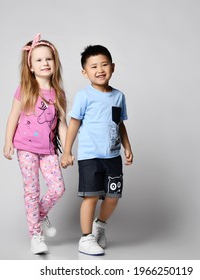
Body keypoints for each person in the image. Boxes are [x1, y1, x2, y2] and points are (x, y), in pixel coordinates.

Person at [61, 45, 133, 256]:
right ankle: (85, 238)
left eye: (104, 64)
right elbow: (74, 123)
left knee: (113, 197)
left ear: (112, 67)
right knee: (90, 197)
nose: (100, 69)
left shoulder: (119, 96)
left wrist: (127, 146)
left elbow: (119, 123)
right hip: (90, 156)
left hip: (112, 156)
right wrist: (67, 151)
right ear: (85, 72)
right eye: (93, 66)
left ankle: (99, 225)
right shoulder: (85, 96)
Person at [3, 34, 67, 255]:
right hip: (25, 148)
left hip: (48, 150)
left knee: (58, 188)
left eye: (48, 59)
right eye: (39, 60)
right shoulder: (25, 88)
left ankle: (39, 215)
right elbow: (13, 115)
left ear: (55, 62)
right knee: (31, 191)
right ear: (30, 66)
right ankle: (36, 236)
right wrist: (7, 141)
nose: (45, 63)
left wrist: (67, 150)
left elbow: (62, 125)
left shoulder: (58, 94)